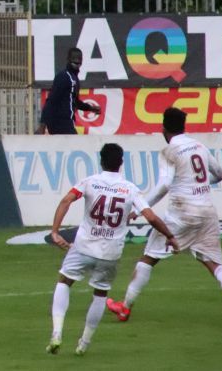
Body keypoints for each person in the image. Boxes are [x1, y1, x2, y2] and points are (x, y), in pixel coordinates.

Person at [106, 107, 222, 326]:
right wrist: (198, 184)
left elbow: (164, 184)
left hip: (181, 212)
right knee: (214, 263)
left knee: (148, 258)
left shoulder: (169, 151)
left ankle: (125, 307)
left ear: (164, 128)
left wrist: (139, 208)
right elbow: (220, 174)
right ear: (184, 126)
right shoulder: (199, 145)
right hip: (207, 212)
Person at [46, 143, 179, 356]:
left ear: (101, 160)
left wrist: (55, 231)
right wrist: (170, 236)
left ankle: (57, 333)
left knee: (65, 281)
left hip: (83, 246)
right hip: (110, 253)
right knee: (100, 293)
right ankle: (84, 343)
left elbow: (66, 200)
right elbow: (151, 216)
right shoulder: (130, 189)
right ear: (121, 163)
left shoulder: (89, 182)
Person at [36, 47, 99, 135]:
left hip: (68, 122)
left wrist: (90, 108)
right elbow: (51, 100)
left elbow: (75, 102)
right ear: (68, 59)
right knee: (74, 144)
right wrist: (42, 125)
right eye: (74, 58)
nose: (77, 61)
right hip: (60, 122)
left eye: (79, 58)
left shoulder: (74, 78)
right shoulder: (63, 76)